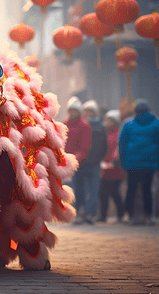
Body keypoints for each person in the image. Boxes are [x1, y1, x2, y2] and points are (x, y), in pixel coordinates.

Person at [119, 99, 159, 226]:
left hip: (132, 164)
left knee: (131, 190)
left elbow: (121, 144)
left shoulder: (128, 124)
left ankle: (131, 216)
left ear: (135, 111)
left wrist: (123, 162)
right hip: (150, 164)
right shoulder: (157, 124)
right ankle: (149, 217)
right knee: (147, 190)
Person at [62, 96, 92, 224]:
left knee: (80, 188)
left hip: (80, 163)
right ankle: (69, 213)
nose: (73, 113)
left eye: (75, 111)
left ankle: (81, 212)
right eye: (71, 110)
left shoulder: (84, 125)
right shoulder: (64, 124)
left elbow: (85, 147)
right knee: (67, 189)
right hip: (65, 162)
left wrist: (74, 160)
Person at [78, 100, 108, 224]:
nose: (87, 113)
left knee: (94, 190)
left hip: (94, 163)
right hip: (81, 162)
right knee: (82, 190)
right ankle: (83, 213)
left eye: (90, 111)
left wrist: (98, 158)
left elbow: (104, 146)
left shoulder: (101, 126)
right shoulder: (80, 125)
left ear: (94, 112)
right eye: (85, 111)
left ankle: (91, 214)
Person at [97, 110, 126, 223]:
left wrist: (115, 159)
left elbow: (118, 148)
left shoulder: (119, 133)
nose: (107, 122)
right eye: (106, 120)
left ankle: (121, 214)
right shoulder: (104, 133)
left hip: (116, 167)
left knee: (114, 192)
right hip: (104, 167)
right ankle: (103, 216)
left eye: (110, 120)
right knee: (103, 193)